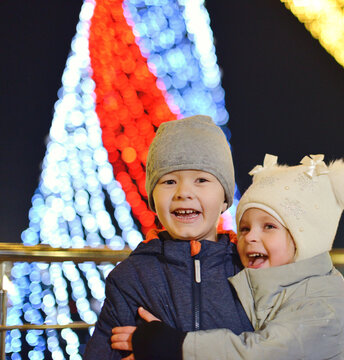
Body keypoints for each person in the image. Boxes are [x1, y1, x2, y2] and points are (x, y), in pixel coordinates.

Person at [111, 154, 344, 360]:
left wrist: (174, 345)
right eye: (244, 228)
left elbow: (258, 353)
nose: (250, 237)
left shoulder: (322, 302)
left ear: (304, 239)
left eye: (269, 227)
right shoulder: (278, 285)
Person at [83, 115, 253, 359]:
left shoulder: (251, 270)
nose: (183, 193)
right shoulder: (130, 278)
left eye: (202, 180)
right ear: (153, 199)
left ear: (225, 197)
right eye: (169, 181)